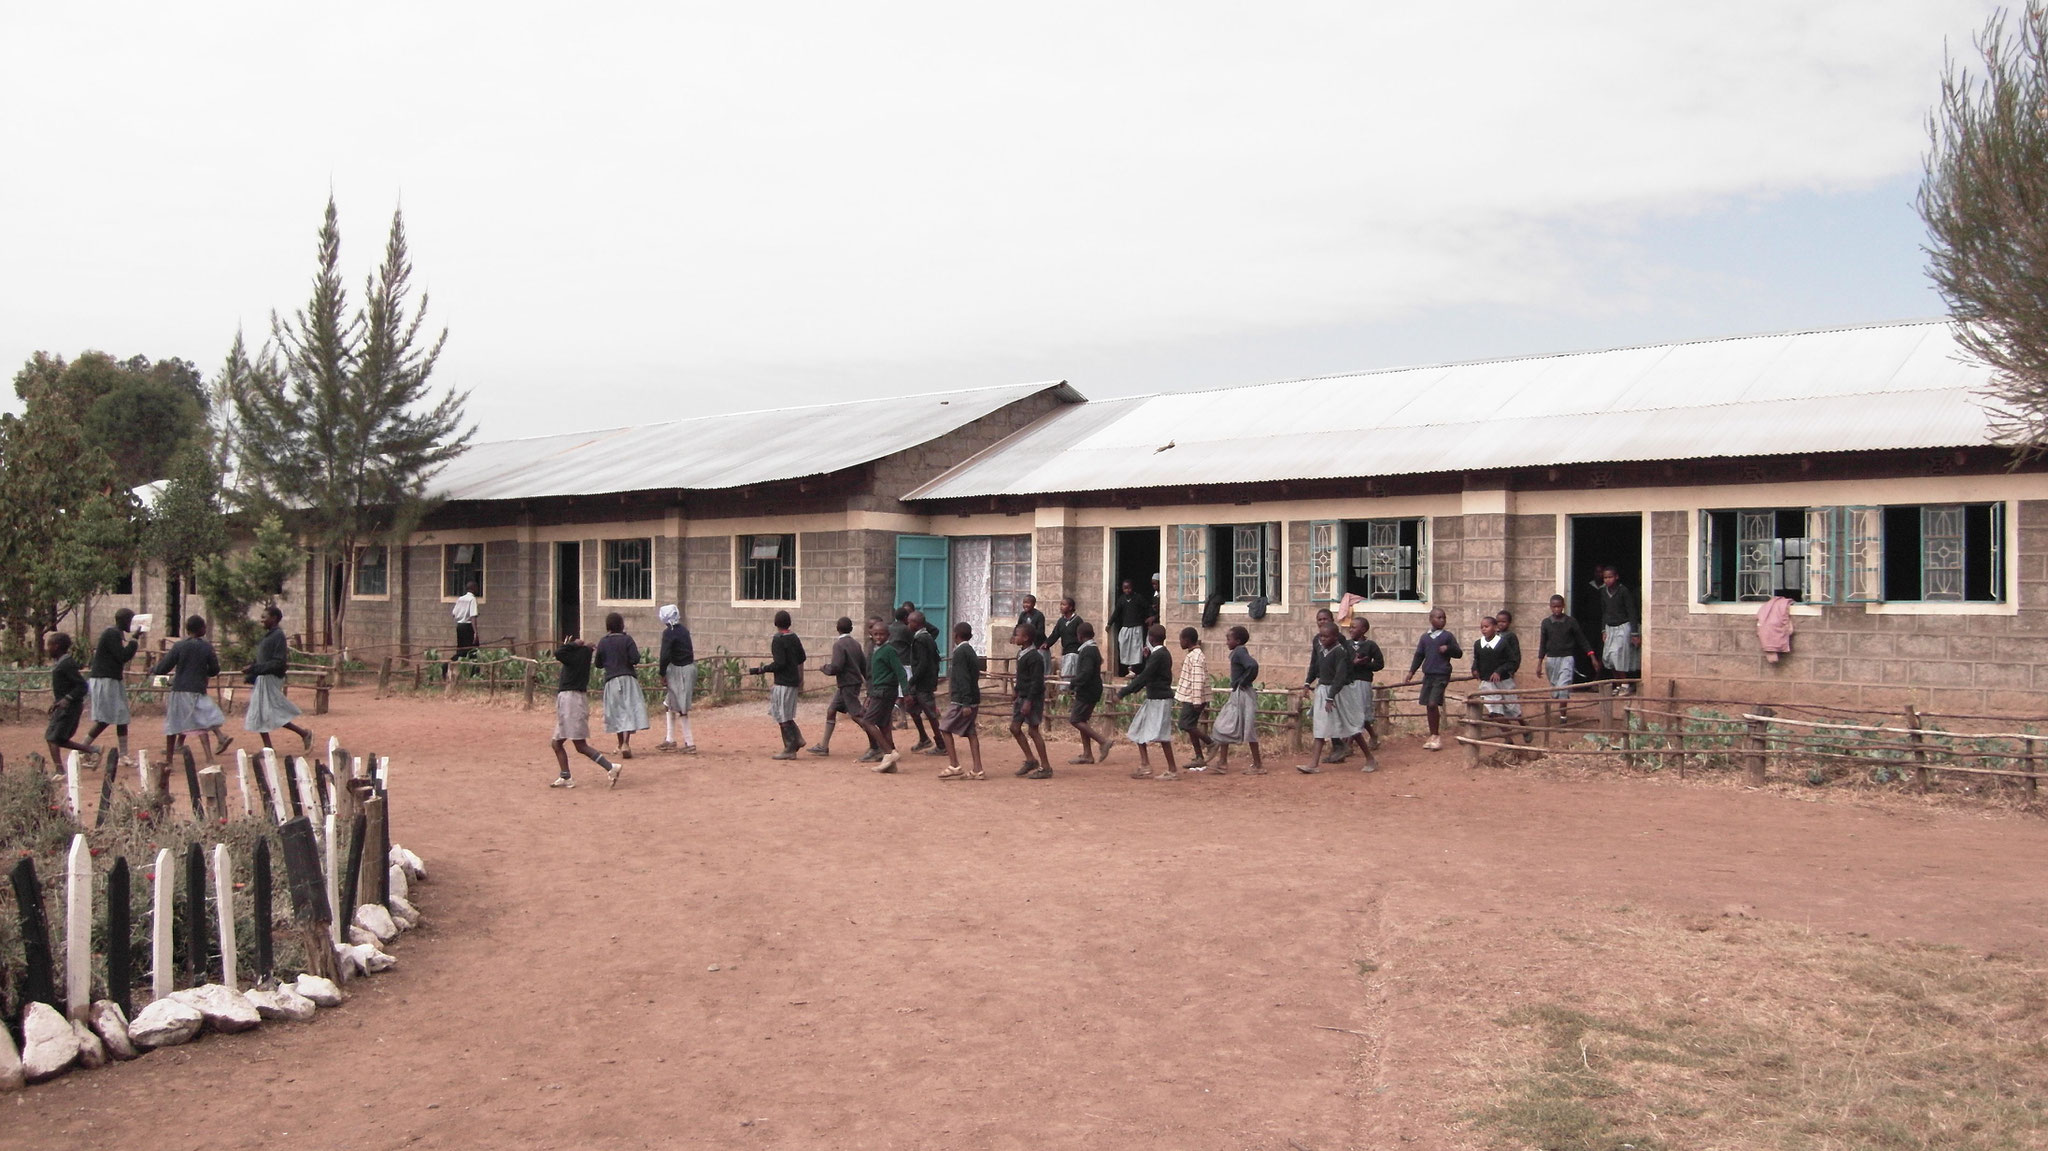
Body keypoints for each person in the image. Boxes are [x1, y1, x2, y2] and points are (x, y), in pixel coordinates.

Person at [151, 615, 230, 763]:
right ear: (201, 629)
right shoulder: (206, 647)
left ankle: (169, 760)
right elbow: (214, 670)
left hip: (179, 689)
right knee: (201, 724)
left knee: (173, 725)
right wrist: (202, 670)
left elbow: (164, 667)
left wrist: (153, 669)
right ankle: (209, 758)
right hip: (197, 690)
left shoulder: (179, 646)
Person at [548, 633, 621, 789]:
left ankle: (610, 767)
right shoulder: (582, 656)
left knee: (580, 745)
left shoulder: (576, 656)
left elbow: (558, 653)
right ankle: (565, 775)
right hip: (568, 701)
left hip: (571, 702)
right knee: (556, 743)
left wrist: (574, 644)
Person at [244, 605, 314, 752]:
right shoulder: (270, 635)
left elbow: (278, 662)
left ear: (274, 618)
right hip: (263, 678)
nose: (261, 620)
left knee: (270, 713)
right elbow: (263, 660)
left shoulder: (278, 636)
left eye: (264, 617)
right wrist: (252, 671)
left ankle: (304, 733)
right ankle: (269, 748)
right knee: (260, 714)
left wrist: (255, 669)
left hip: (270, 678)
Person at [1299, 619, 1362, 773]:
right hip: (1323, 690)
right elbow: (1315, 667)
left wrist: (1331, 696)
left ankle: (1369, 757)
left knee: (1350, 726)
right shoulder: (1321, 650)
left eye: (1326, 637)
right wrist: (1308, 683)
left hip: (1337, 693)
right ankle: (1313, 764)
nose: (1322, 640)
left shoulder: (1340, 652)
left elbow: (1340, 677)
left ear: (1335, 637)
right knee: (1320, 727)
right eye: (1321, 637)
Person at [1117, 624, 1179, 779]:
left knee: (1163, 735)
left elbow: (1145, 676)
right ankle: (1145, 765)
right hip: (1153, 699)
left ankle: (1172, 770)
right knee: (1137, 729)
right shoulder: (1159, 654)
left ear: (1150, 638)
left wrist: (1123, 692)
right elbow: (1149, 672)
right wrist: (1147, 658)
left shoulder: (1159, 656)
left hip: (1160, 699)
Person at [83, 608, 142, 766]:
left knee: (121, 716)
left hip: (111, 680)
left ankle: (123, 755)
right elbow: (122, 656)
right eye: (131, 621)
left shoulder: (115, 634)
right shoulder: (112, 634)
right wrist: (134, 640)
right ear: (123, 621)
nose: (132, 624)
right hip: (105, 680)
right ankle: (83, 749)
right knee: (105, 718)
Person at [1399, 608, 1462, 751]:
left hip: (1441, 674)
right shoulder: (1425, 637)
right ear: (1431, 619)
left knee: (1433, 703)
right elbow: (1419, 655)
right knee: (1428, 704)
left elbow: (1458, 653)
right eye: (1439, 617)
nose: (1442, 620)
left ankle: (1436, 736)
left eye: (1444, 618)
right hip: (1428, 674)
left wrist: (1448, 649)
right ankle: (1433, 735)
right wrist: (1411, 672)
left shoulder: (1448, 636)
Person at [810, 616, 872, 759]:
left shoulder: (839, 645)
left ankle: (877, 742)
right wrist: (868, 683)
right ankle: (823, 746)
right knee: (831, 710)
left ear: (837, 629)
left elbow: (836, 667)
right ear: (851, 629)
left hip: (847, 684)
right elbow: (864, 666)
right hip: (850, 684)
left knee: (857, 715)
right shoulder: (856, 644)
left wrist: (825, 668)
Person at [751, 610, 807, 760]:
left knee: (782, 715)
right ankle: (798, 738)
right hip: (793, 681)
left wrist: (762, 669)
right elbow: (802, 657)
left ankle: (789, 748)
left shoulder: (778, 640)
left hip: (783, 682)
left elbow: (779, 663)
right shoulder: (794, 637)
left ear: (776, 624)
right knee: (786, 713)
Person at [1209, 625, 1264, 775]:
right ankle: (1223, 762)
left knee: (1233, 726)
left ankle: (1257, 765)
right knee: (1225, 725)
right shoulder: (1238, 652)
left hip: (1243, 694)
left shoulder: (1239, 651)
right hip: (1239, 694)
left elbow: (1252, 665)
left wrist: (1242, 682)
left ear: (1237, 641)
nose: (1226, 642)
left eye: (1228, 639)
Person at [1537, 595, 1600, 722]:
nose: (1556, 609)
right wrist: (1539, 662)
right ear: (1550, 607)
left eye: (1559, 606)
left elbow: (1582, 639)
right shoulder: (1546, 623)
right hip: (1551, 660)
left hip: (1567, 658)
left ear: (1563, 606)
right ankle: (1560, 706)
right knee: (1556, 690)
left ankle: (1563, 717)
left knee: (1563, 688)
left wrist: (1592, 656)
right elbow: (1543, 643)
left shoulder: (1571, 622)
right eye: (1554, 607)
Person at [936, 622, 985, 780]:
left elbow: (963, 678)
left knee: (944, 728)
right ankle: (978, 769)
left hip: (962, 700)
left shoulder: (960, 652)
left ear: (956, 635)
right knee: (971, 732)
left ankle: (954, 765)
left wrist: (965, 703)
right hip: (973, 697)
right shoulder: (970, 651)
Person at [1301, 607, 1350, 764]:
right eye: (1319, 619)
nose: (1322, 622)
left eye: (1325, 619)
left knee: (1340, 718)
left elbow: (1344, 664)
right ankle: (1339, 748)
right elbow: (1315, 662)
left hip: (1337, 686)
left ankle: (1347, 747)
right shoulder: (1318, 639)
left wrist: (1335, 688)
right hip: (1324, 685)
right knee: (1327, 718)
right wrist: (1308, 682)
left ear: (1332, 620)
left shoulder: (1338, 641)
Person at [1472, 614, 1531, 743]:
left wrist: (1499, 671)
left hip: (1503, 682)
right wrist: (1474, 669)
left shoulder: (1502, 643)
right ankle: (1508, 737)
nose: (1484, 629)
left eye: (1487, 626)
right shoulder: (1478, 644)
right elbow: (1476, 659)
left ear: (1495, 627)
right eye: (1482, 627)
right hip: (1487, 683)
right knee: (1495, 712)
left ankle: (1524, 728)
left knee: (1512, 709)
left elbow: (1512, 661)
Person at [596, 612, 647, 759]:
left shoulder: (603, 642)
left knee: (617, 711)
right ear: (621, 625)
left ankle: (620, 743)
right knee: (629, 709)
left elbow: (598, 663)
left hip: (612, 680)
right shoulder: (627, 639)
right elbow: (635, 658)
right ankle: (626, 743)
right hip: (628, 678)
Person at [44, 633, 97, 771]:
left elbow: (82, 686)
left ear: (57, 646)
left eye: (49, 645)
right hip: (65, 707)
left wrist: (66, 699)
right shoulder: (63, 663)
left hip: (69, 708)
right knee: (59, 739)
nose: (47, 648)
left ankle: (60, 771)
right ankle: (93, 750)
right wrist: (57, 702)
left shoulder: (66, 664)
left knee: (52, 738)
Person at [1065, 621, 1115, 764]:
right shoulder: (1093, 649)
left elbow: (1086, 672)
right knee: (1082, 720)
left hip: (1087, 689)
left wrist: (1074, 682)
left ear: (1079, 636)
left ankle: (1103, 741)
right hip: (1092, 688)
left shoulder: (1087, 651)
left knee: (1075, 719)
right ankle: (1087, 754)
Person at [861, 618, 905, 773]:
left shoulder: (889, 651)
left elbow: (900, 672)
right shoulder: (875, 650)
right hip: (878, 691)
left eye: (882, 634)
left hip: (885, 691)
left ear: (888, 635)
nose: (878, 637)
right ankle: (890, 765)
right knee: (884, 724)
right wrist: (870, 694)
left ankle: (888, 752)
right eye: (876, 634)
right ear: (871, 635)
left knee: (868, 722)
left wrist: (906, 692)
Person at [1009, 623, 1053, 778]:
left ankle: (1046, 767)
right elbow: (1021, 677)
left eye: (1017, 635)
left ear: (1026, 638)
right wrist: (1016, 691)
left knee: (1033, 730)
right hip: (1022, 696)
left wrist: (1028, 701)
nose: (1014, 637)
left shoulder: (1035, 657)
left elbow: (1036, 682)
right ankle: (1030, 759)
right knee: (1014, 728)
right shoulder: (1022, 654)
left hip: (1031, 698)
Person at [656, 604, 698, 754]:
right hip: (688, 668)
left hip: (679, 671)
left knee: (681, 708)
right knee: (669, 704)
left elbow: (665, 655)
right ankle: (670, 739)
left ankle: (689, 742)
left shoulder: (669, 633)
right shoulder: (683, 630)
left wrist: (662, 673)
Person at [1345, 617, 1385, 770]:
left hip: (1363, 681)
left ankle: (1349, 744)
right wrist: (1352, 663)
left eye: (1354, 627)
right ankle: (1373, 735)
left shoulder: (1370, 646)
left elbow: (1380, 664)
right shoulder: (1346, 645)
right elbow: (1343, 662)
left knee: (1360, 712)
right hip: (1349, 682)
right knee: (1353, 712)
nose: (1351, 629)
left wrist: (1366, 664)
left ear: (1363, 630)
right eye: (1350, 627)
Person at [1173, 627, 1214, 769]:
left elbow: (1198, 679)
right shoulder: (1193, 655)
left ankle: (1210, 743)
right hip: (1191, 697)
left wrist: (1196, 700)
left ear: (1187, 640)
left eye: (1180, 639)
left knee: (1185, 725)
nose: (1180, 642)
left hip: (1193, 698)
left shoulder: (1195, 657)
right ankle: (1199, 757)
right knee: (1191, 726)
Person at [907, 610, 945, 755]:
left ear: (916, 624)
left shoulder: (922, 639)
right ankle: (924, 738)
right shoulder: (925, 637)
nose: (908, 625)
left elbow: (923, 663)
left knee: (930, 713)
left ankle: (942, 745)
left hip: (923, 683)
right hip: (922, 682)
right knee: (911, 708)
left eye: (910, 622)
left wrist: (912, 680)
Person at [1598, 566, 1641, 695]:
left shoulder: (1623, 591)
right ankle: (1618, 684)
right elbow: (1604, 611)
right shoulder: (1603, 592)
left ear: (1616, 577)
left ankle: (1625, 684)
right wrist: (1603, 630)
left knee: (1618, 657)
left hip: (1623, 627)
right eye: (1605, 577)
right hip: (1609, 628)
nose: (1608, 580)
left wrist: (1634, 633)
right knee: (1609, 658)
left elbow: (1631, 611)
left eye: (1610, 577)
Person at [1112, 578, 1148, 675]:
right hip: (1126, 627)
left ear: (1132, 588)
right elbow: (1116, 612)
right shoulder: (1122, 599)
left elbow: (1146, 608)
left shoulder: (1138, 598)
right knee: (1124, 647)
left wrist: (1150, 617)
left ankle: (1133, 669)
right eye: (1125, 588)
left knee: (1135, 648)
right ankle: (1127, 669)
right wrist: (1109, 623)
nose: (1127, 590)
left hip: (1136, 627)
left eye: (1129, 588)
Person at [452, 578, 480, 676]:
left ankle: (456, 668)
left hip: (460, 626)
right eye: (476, 588)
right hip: (468, 627)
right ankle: (474, 673)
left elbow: (454, 614)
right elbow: (473, 616)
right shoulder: (472, 599)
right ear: (473, 588)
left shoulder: (460, 599)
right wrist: (475, 632)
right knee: (473, 650)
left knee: (461, 649)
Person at [1048, 597, 1084, 669]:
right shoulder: (1061, 621)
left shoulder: (1077, 620)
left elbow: (1082, 635)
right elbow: (1055, 634)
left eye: (1064, 605)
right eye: (1060, 604)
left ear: (1070, 607)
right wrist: (1046, 644)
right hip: (1065, 652)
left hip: (1074, 652)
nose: (1061, 607)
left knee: (1068, 674)